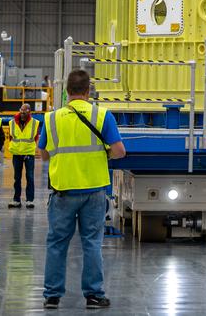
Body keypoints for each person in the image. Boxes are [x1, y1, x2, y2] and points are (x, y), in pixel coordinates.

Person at [39, 70, 126, 310]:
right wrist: (103, 154)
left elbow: (43, 154)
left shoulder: (52, 118)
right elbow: (119, 151)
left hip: (63, 191)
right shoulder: (102, 115)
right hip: (94, 191)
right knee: (92, 243)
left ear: (67, 91)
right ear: (88, 91)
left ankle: (52, 296)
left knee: (57, 243)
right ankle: (94, 295)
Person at [8, 103, 39, 208]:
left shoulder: (35, 123)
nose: (22, 113)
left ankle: (30, 200)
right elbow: (11, 138)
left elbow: (35, 138)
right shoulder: (12, 123)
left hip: (29, 154)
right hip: (17, 154)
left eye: (25, 111)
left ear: (29, 112)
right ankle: (16, 200)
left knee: (30, 177)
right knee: (17, 178)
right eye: (21, 110)